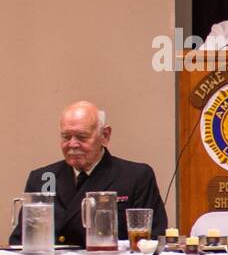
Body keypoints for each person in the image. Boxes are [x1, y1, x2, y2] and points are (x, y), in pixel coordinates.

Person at [9, 101, 167, 247]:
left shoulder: (135, 177)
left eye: (81, 137)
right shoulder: (43, 178)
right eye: (66, 137)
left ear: (105, 136)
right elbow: (20, 241)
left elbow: (151, 241)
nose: (72, 144)